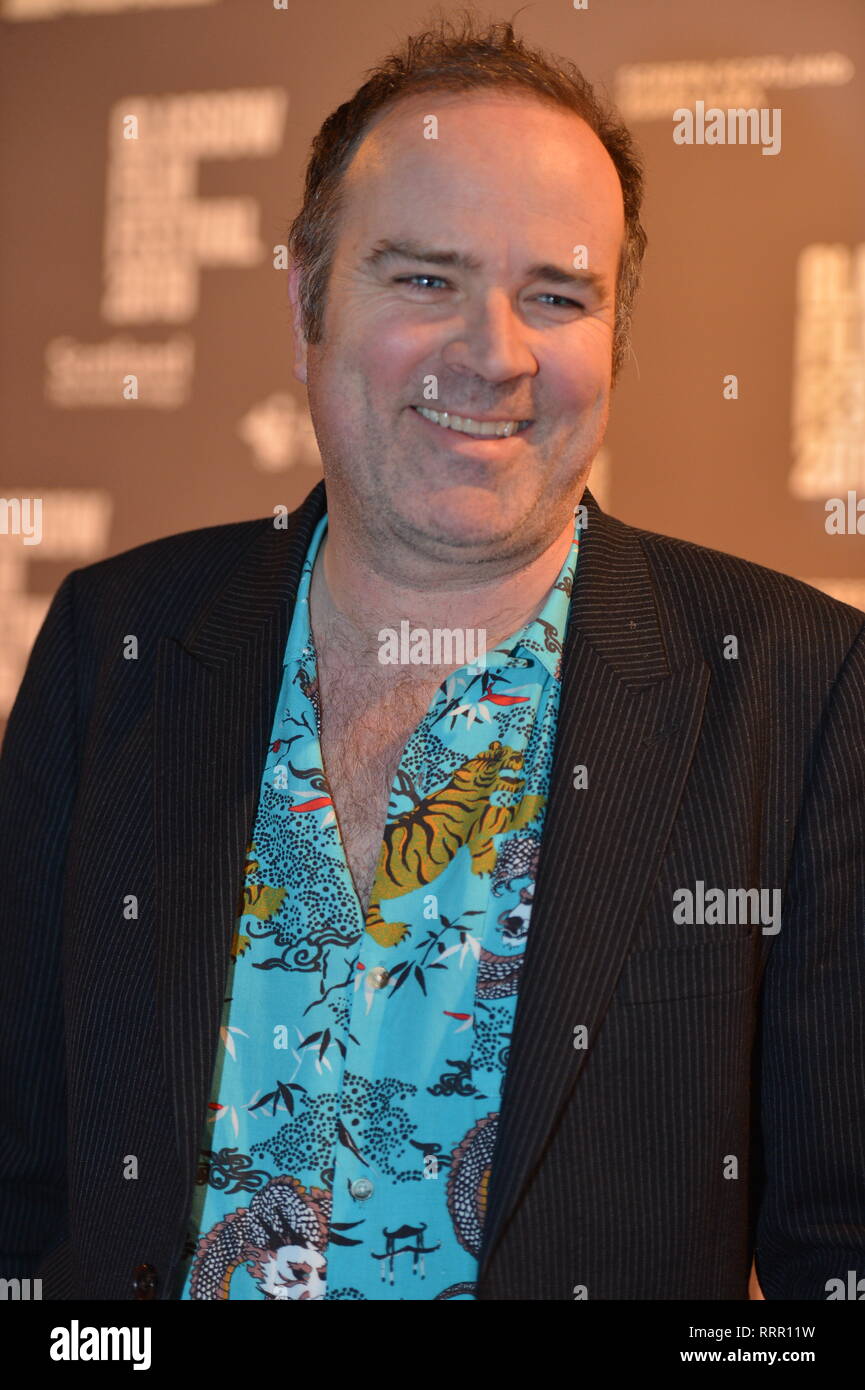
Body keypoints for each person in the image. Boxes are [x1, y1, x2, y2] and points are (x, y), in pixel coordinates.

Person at [1, 13, 863, 1302]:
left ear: (614, 337)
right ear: (305, 295)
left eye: (557, 296)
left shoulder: (800, 690)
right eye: (424, 278)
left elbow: (835, 1257)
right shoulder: (113, 642)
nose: (495, 354)